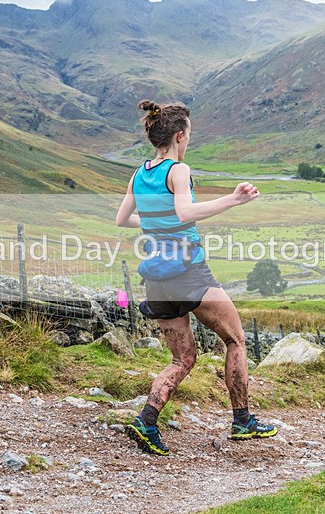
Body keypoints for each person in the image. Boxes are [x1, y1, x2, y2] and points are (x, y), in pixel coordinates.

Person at [115, 99, 277, 456]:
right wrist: (233, 200)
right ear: (179, 135)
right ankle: (242, 421)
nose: (188, 140)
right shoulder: (179, 169)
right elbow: (186, 210)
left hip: (157, 277)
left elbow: (122, 219)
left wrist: (158, 220)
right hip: (189, 271)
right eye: (189, 135)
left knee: (181, 360)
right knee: (235, 339)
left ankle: (146, 421)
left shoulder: (139, 173)